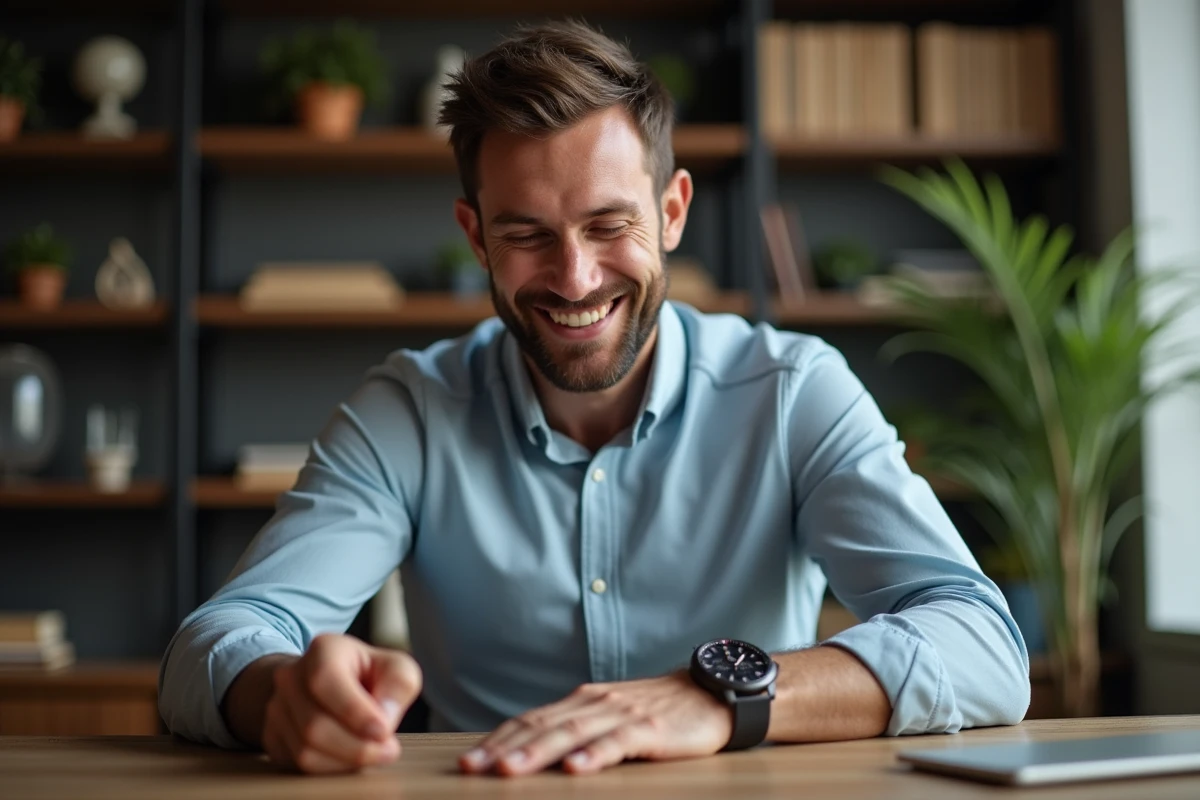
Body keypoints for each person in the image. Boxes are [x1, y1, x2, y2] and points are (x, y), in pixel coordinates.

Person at [158, 20, 1030, 777]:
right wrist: (279, 696)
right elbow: (218, 640)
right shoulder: (410, 411)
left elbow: (983, 646)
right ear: (475, 237)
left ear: (674, 210)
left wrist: (723, 701)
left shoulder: (793, 392)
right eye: (527, 234)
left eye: (610, 226)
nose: (575, 279)